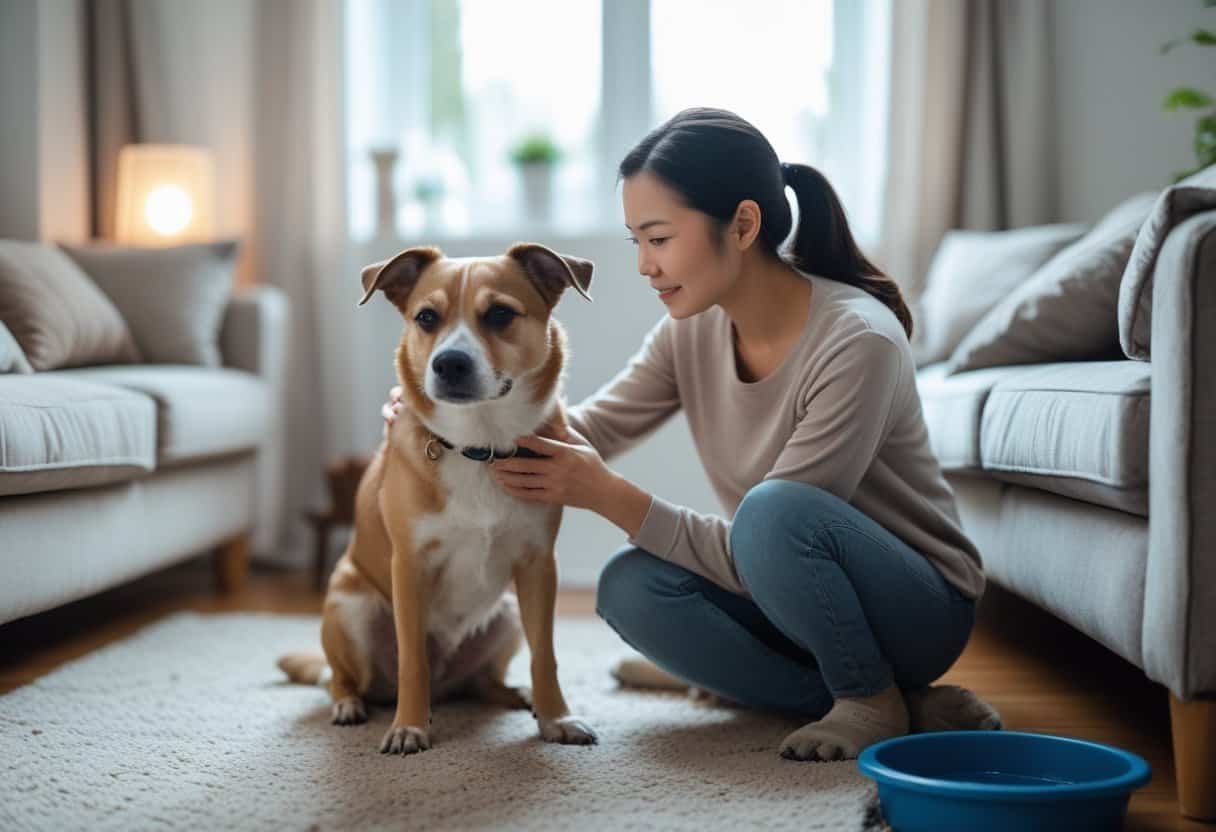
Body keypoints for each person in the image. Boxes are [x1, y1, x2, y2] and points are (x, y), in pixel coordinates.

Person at [382, 107, 997, 762]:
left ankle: (868, 694)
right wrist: (448, 427)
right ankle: (901, 703)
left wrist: (605, 493)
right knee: (628, 587)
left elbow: (774, 532)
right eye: (636, 242)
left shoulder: (858, 340)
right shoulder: (693, 329)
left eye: (660, 238)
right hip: (788, 593)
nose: (646, 265)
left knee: (771, 510)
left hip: (914, 608)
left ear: (742, 225)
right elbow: (585, 431)